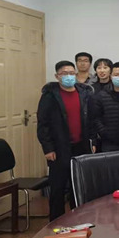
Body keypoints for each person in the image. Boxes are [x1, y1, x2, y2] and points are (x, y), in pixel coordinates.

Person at [37, 60, 93, 221]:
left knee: (80, 186)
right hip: (58, 148)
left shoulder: (84, 93)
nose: (69, 76)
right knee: (58, 187)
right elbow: (43, 124)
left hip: (81, 146)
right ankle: (57, 222)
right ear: (57, 76)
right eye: (64, 73)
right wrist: (48, 148)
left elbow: (90, 119)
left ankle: (79, 220)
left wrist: (93, 141)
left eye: (71, 73)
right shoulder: (50, 96)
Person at [90, 62, 119, 153]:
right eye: (116, 75)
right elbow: (96, 118)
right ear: (111, 76)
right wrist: (104, 132)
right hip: (108, 142)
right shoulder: (101, 95)